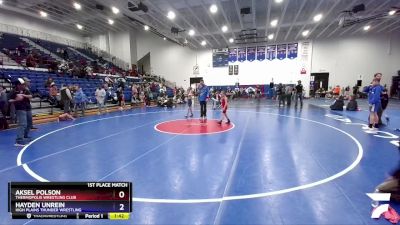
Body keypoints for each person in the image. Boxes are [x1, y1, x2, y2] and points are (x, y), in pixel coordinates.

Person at [9, 78, 32, 146]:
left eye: (24, 84)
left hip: (27, 108)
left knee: (29, 123)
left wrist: (23, 95)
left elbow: (31, 96)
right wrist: (16, 99)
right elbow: (9, 100)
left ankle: (24, 136)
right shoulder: (13, 91)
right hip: (20, 109)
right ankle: (19, 140)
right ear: (18, 85)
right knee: (22, 124)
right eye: (22, 84)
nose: (24, 85)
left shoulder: (25, 90)